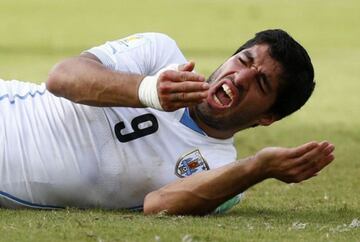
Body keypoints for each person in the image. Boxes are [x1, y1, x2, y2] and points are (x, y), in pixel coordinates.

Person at [0, 29, 334, 215]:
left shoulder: (224, 171)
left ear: (267, 117)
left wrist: (257, 168)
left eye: (261, 83)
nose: (242, 76)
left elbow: (158, 205)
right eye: (244, 60)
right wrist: (146, 90)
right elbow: (62, 78)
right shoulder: (160, 55)